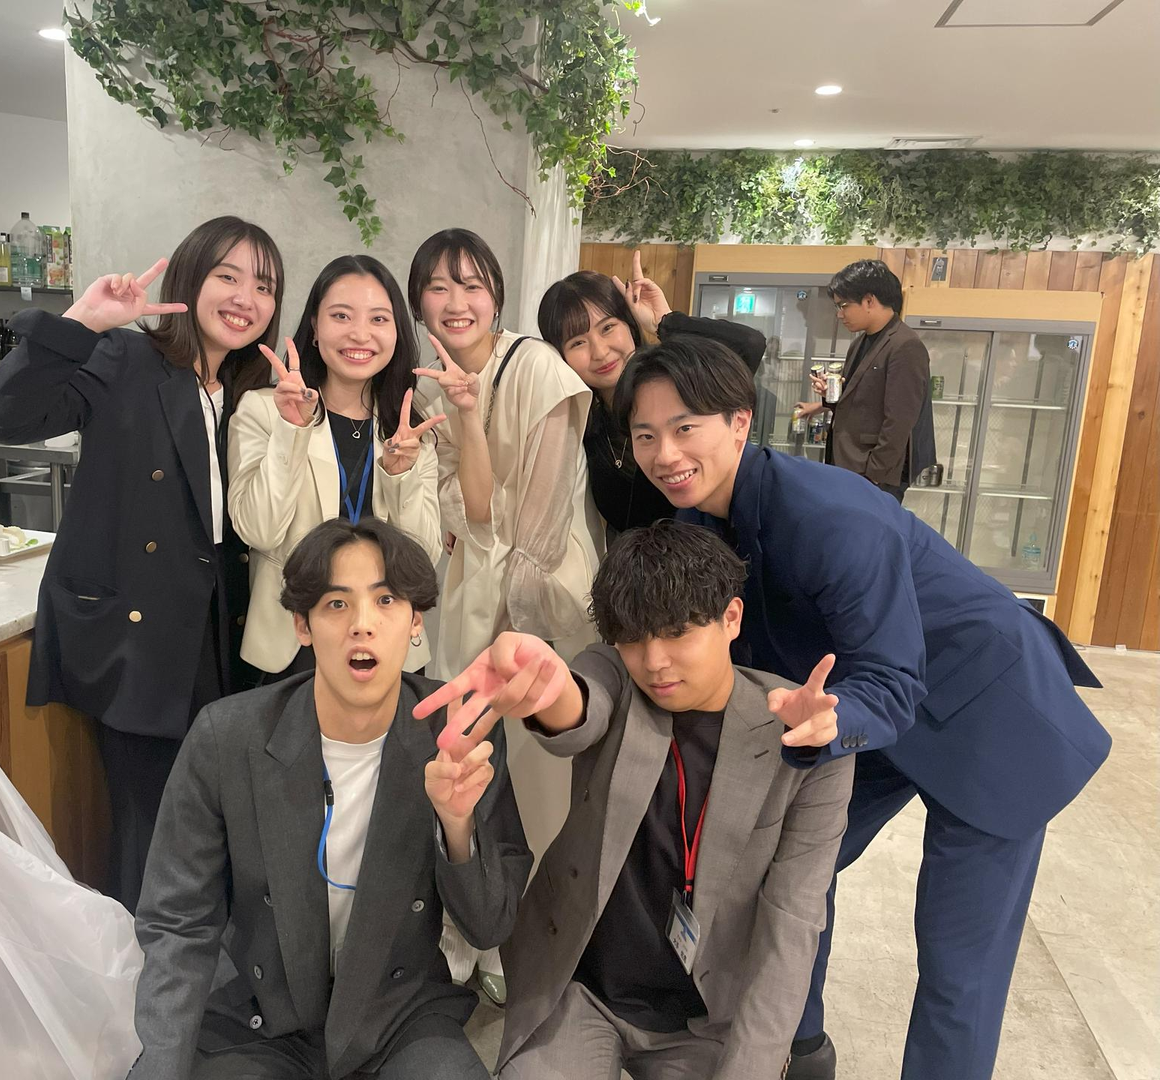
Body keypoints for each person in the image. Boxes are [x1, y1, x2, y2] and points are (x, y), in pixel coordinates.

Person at [615, 335, 1111, 1080]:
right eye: (646, 434)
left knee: (957, 955)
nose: (666, 453)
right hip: (860, 706)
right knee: (786, 870)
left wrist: (834, 720)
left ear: (740, 423)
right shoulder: (694, 526)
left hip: (985, 712)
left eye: (686, 427)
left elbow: (894, 678)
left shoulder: (830, 516)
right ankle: (799, 1049)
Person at [416, 522, 853, 1079]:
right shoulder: (616, 676)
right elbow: (581, 708)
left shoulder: (802, 737)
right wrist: (547, 688)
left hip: (708, 1017)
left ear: (731, 618)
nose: (655, 661)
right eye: (634, 639)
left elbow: (791, 926)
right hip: (580, 986)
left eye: (677, 633)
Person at [128, 518, 531, 1080]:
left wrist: (456, 826)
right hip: (259, 1014)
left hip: (400, 1016)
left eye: (386, 600)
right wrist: (159, 1066)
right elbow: (179, 921)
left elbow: (490, 926)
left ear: (416, 620)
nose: (362, 624)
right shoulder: (228, 737)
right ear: (303, 624)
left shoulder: (457, 732)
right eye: (337, 604)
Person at [0, 216, 283, 912]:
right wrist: (80, 323)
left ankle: (199, 963)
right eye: (227, 277)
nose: (245, 298)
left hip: (219, 630)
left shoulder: (249, 389)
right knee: (152, 826)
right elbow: (1, 420)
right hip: (139, 635)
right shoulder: (128, 358)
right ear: (191, 280)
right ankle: (147, 972)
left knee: (213, 817)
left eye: (264, 286)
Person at [408, 227, 600, 1000]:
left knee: (541, 778)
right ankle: (475, 930)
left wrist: (509, 635)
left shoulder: (539, 368)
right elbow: (478, 510)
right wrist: (462, 413)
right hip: (471, 589)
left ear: (496, 294)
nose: (456, 302)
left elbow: (542, 524)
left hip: (543, 597)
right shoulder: (430, 385)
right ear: (419, 300)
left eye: (472, 284)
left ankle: (533, 947)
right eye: (438, 287)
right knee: (471, 767)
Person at [229, 255, 444, 681]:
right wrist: (292, 431)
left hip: (386, 642)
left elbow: (423, 559)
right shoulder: (264, 411)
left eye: (378, 319)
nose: (360, 334)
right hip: (293, 643)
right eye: (341, 316)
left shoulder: (409, 430)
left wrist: (400, 475)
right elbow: (259, 530)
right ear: (314, 326)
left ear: (396, 332)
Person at [538, 252, 765, 536]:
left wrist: (663, 322)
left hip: (718, 553)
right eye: (578, 342)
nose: (600, 351)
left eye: (608, 328)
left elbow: (749, 345)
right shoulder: (582, 426)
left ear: (630, 324)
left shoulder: (681, 384)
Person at [795, 259, 937, 502]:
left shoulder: (905, 345)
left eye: (844, 305)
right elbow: (860, 398)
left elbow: (899, 421)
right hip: (850, 462)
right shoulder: (860, 342)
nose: (840, 314)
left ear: (869, 301)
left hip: (873, 472)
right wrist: (828, 396)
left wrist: (874, 476)